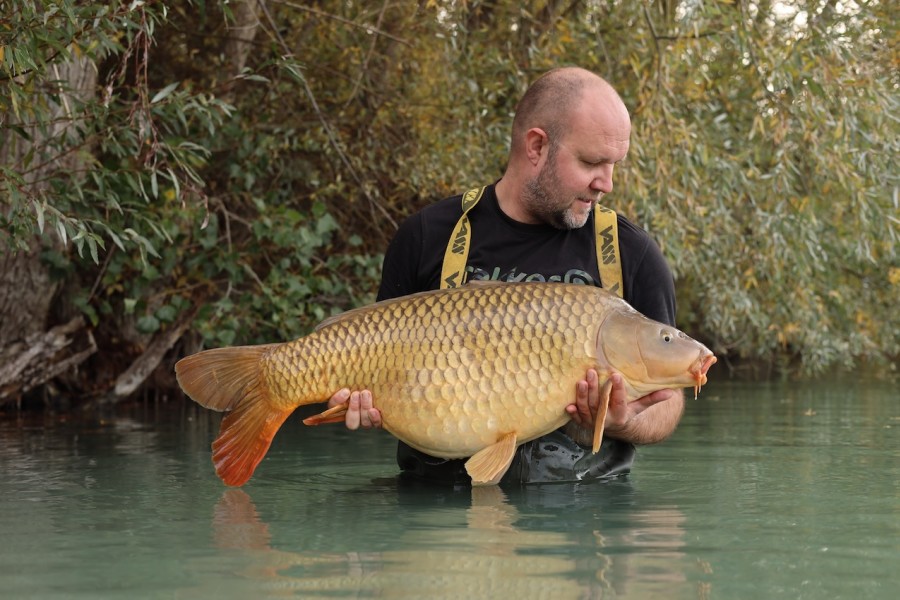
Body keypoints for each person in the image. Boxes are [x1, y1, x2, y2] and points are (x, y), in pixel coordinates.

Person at [327, 66, 684, 485]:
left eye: (614, 165)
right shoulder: (427, 235)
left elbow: (668, 401)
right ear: (536, 146)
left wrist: (622, 419)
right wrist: (364, 403)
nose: (606, 183)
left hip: (587, 509)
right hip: (434, 506)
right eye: (591, 162)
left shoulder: (630, 253)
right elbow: (374, 360)